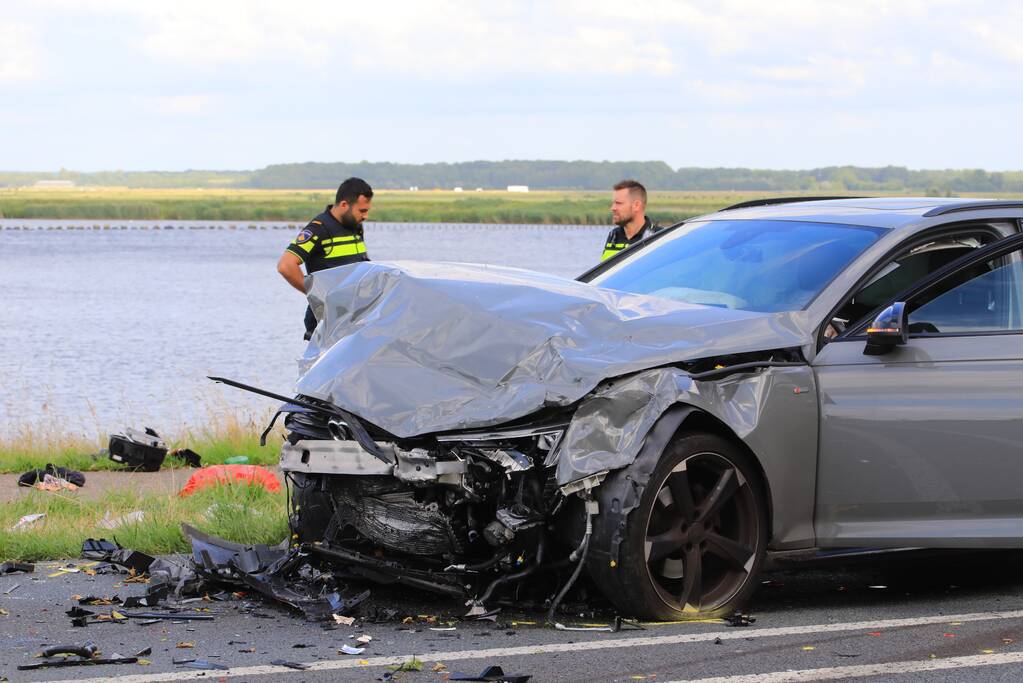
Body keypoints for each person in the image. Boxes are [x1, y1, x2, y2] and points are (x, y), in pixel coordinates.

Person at [277, 177, 374, 339]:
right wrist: (317, 296)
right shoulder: (319, 228)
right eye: (362, 211)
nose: (366, 216)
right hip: (327, 323)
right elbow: (286, 266)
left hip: (351, 319)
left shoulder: (354, 225)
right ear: (344, 205)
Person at [602, 179, 655, 261]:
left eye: (618, 203)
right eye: (613, 203)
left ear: (636, 205)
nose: (613, 208)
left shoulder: (658, 236)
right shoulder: (613, 235)